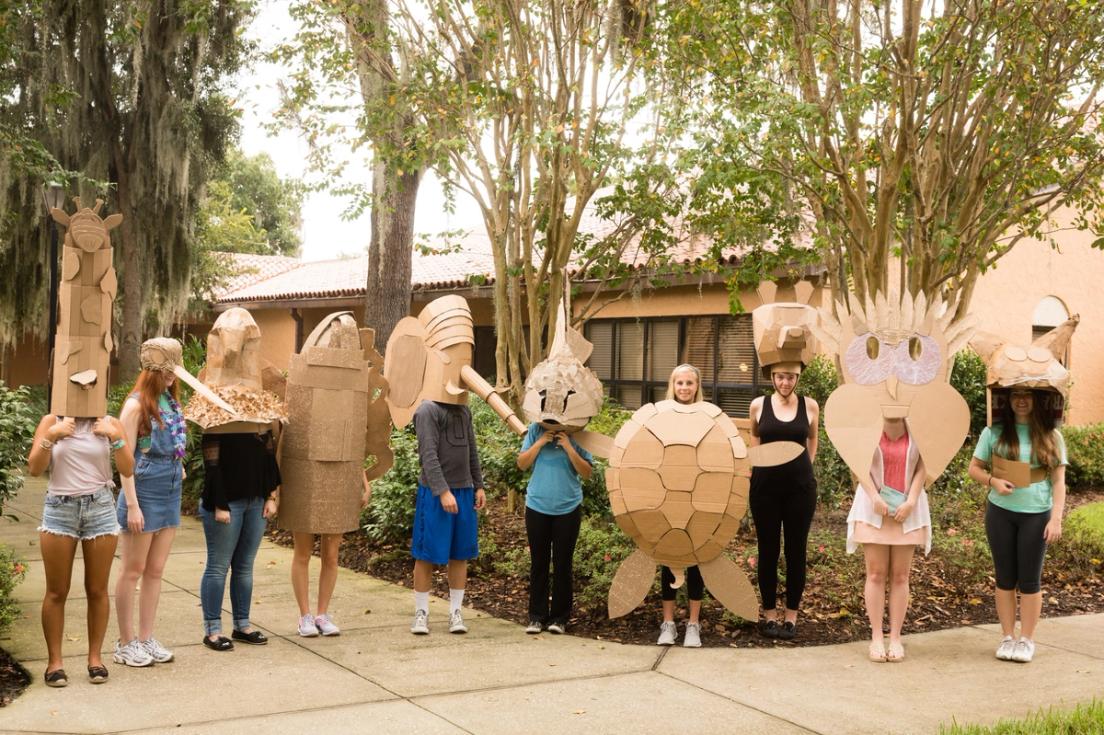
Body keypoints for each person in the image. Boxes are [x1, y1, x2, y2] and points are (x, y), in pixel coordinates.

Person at [28, 412, 133, 686]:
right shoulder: (51, 420)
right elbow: (34, 468)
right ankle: (55, 664)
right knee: (56, 590)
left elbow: (128, 469)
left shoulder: (109, 421)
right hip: (60, 507)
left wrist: (115, 437)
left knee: (97, 589)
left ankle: (95, 660)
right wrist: (52, 436)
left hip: (99, 507)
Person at [968, 388, 1066, 664]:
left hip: (1036, 515)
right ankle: (1008, 637)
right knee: (1005, 578)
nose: (1021, 400)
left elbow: (1058, 482)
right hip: (1000, 513)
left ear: (1037, 400)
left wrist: (1056, 518)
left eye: (1027, 395)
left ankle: (1026, 640)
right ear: (1007, 401)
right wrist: (993, 482)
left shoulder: (1051, 435)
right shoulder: (994, 432)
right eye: (1015, 396)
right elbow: (974, 468)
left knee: (1030, 581)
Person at [113, 344, 188, 667]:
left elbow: (174, 439)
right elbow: (124, 461)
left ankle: (146, 637)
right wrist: (132, 505)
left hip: (169, 490)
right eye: (166, 370)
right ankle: (125, 642)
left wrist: (178, 464)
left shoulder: (169, 400)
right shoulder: (134, 407)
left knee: (156, 571)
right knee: (133, 570)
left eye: (175, 369)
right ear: (152, 370)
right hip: (142, 491)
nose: (172, 375)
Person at [846, 417, 930, 662]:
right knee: (875, 573)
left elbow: (923, 465)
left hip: (907, 510)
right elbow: (858, 463)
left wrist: (912, 500)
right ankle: (875, 637)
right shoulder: (868, 427)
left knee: (901, 575)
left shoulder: (918, 427)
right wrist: (874, 496)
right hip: (875, 508)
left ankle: (895, 636)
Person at [748, 364, 819, 640]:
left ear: (797, 378)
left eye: (790, 377)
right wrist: (757, 463)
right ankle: (769, 615)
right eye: (780, 377)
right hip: (764, 488)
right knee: (767, 550)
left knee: (795, 551)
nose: (785, 382)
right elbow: (755, 434)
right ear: (772, 378)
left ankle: (791, 616)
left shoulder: (809, 406)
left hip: (799, 490)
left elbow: (812, 438)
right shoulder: (758, 405)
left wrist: (806, 466)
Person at [198, 428, 281, 650]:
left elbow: (269, 459)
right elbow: (212, 466)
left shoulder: (258, 420)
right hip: (225, 503)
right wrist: (220, 504)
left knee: (245, 566)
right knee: (218, 566)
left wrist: (271, 496)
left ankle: (242, 626)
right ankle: (213, 631)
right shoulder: (218, 422)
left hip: (256, 502)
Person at [410, 400, 486, 635]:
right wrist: (442, 491)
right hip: (435, 494)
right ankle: (421, 613)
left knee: (460, 554)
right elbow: (428, 454)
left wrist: (478, 485)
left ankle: (455, 612)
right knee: (426, 555)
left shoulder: (463, 409)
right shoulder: (427, 410)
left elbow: (471, 449)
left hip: (464, 491)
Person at [516, 415, 593, 635]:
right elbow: (521, 464)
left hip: (568, 508)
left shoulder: (578, 432)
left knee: (563, 564)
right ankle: (536, 617)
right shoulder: (534, 429)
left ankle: (559, 618)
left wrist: (569, 446)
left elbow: (587, 473)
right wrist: (540, 442)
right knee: (538, 562)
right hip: (537, 506)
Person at [655, 364, 707, 647]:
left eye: (689, 383)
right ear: (672, 386)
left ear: (697, 386)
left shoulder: (707, 417)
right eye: (680, 383)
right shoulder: (661, 415)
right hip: (668, 496)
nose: (685, 388)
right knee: (668, 558)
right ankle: (668, 624)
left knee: (697, 560)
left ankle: (694, 626)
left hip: (698, 497)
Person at [289, 474, 372, 637]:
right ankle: (305, 617)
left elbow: (353, 453)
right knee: (303, 554)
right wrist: (277, 491)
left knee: (331, 556)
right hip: (303, 486)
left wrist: (366, 486)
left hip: (338, 489)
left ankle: (322, 616)